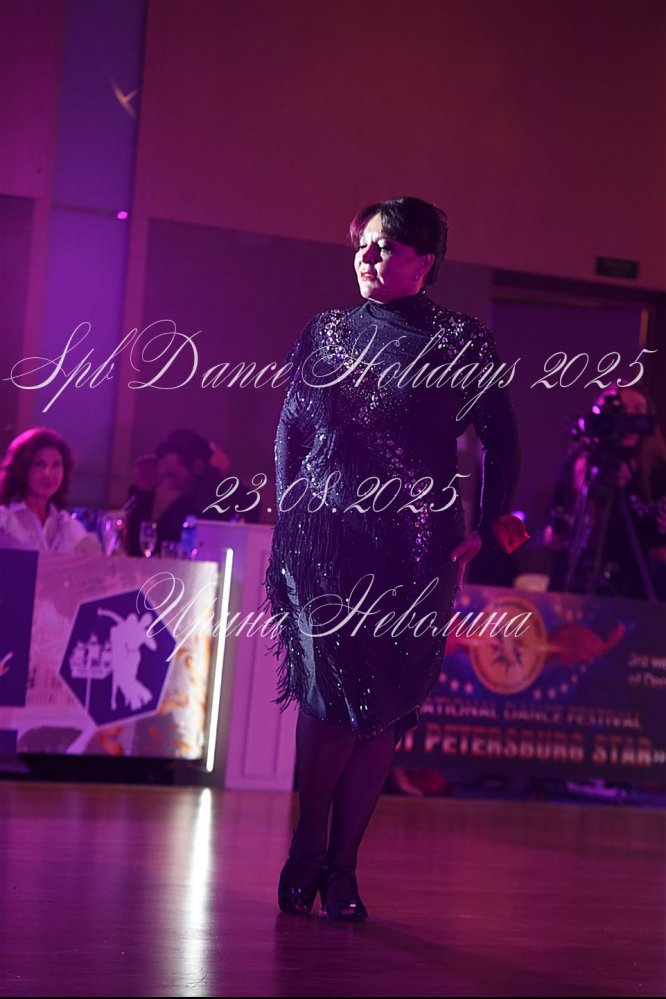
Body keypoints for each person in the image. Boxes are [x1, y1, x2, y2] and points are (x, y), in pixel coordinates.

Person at [265, 197, 523, 921]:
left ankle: (343, 868)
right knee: (326, 699)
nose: (367, 257)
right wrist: (289, 517)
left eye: (384, 247)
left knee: (384, 710)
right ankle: (307, 846)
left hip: (416, 550)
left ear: (424, 261)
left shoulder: (460, 340)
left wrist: (491, 522)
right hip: (325, 543)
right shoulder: (324, 331)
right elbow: (291, 431)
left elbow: (502, 439)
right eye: (362, 246)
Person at [545, 384, 666, 600]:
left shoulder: (657, 471)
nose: (630, 418)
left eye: (639, 410)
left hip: (633, 588)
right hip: (577, 581)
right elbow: (555, 524)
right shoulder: (578, 463)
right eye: (622, 409)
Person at [123, 428, 255, 556]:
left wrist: (212, 476)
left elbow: (209, 537)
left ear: (197, 468)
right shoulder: (178, 509)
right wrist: (144, 494)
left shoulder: (243, 501)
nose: (170, 486)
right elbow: (141, 553)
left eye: (173, 476)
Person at [0, 427, 99, 553]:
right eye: (39, 464)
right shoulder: (4, 521)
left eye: (56, 465)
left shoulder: (68, 526)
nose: (48, 473)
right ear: (22, 470)